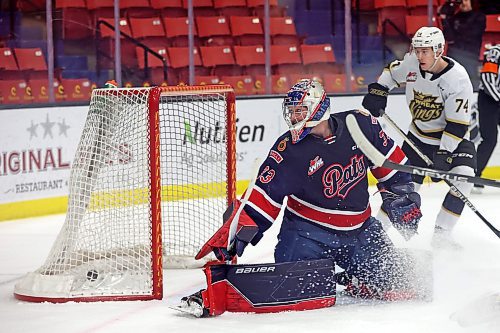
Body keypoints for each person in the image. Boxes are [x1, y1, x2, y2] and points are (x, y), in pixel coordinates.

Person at [178, 79, 426, 317]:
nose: (294, 116)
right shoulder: (288, 150)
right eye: (292, 111)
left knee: (404, 283)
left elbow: (393, 167)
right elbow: (263, 197)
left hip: (360, 232)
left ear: (320, 107)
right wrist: (235, 233)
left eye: (300, 110)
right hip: (307, 235)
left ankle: (353, 276)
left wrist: (402, 198)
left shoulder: (360, 125)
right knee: (296, 293)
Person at [362, 26, 476, 249]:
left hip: (452, 139)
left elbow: (457, 124)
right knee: (402, 189)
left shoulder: (458, 80)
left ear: (439, 50)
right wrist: (379, 90)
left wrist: (444, 154)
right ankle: (374, 239)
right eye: (418, 50)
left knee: (464, 178)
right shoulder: (412, 62)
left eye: (426, 51)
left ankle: (442, 235)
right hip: (417, 139)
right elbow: (391, 73)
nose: (420, 55)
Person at [439, 0, 486, 89]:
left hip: (470, 56)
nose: (462, 3)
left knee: (470, 83)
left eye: (465, 0)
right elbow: (449, 38)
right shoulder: (455, 18)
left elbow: (471, 35)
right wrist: (445, 18)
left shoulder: (479, 17)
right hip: (454, 56)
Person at [474, 44, 500, 193]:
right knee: (490, 139)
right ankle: (474, 176)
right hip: (489, 99)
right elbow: (487, 79)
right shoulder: (495, 52)